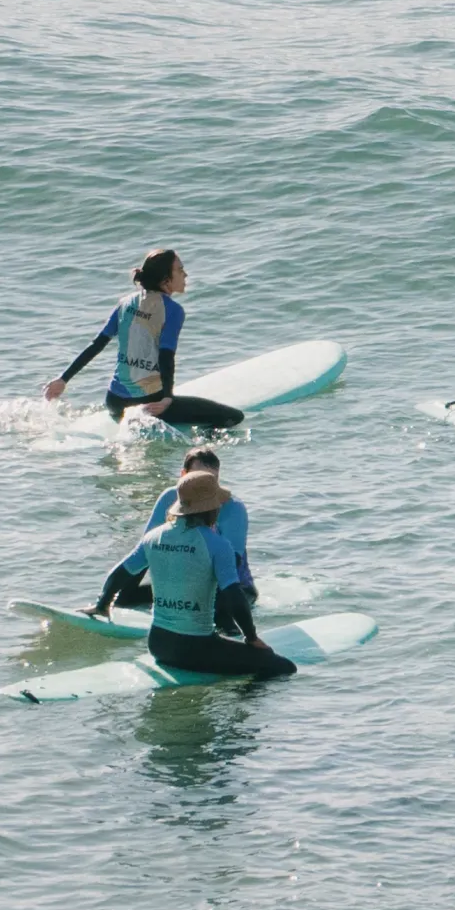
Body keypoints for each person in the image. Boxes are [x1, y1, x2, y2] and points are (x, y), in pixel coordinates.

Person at [87, 467, 294, 680]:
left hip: (158, 646)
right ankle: (239, 708)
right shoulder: (218, 545)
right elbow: (234, 596)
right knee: (282, 667)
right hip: (197, 648)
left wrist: (103, 605)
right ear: (212, 508)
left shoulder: (152, 538)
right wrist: (252, 638)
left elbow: (119, 573)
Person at [44, 250, 244, 431]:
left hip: (114, 402)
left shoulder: (126, 302)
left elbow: (97, 344)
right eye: (180, 270)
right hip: (149, 403)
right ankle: (198, 445)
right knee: (234, 417)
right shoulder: (173, 310)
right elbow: (166, 356)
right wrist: (167, 398)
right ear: (166, 280)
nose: (185, 275)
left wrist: (63, 379)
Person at [91, 446, 256, 634]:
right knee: (124, 595)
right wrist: (105, 600)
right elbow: (145, 550)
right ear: (183, 475)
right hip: (183, 584)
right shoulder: (170, 497)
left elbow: (230, 566)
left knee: (219, 611)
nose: (204, 487)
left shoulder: (233, 508)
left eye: (211, 480)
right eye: (197, 478)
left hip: (232, 586)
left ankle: (229, 638)